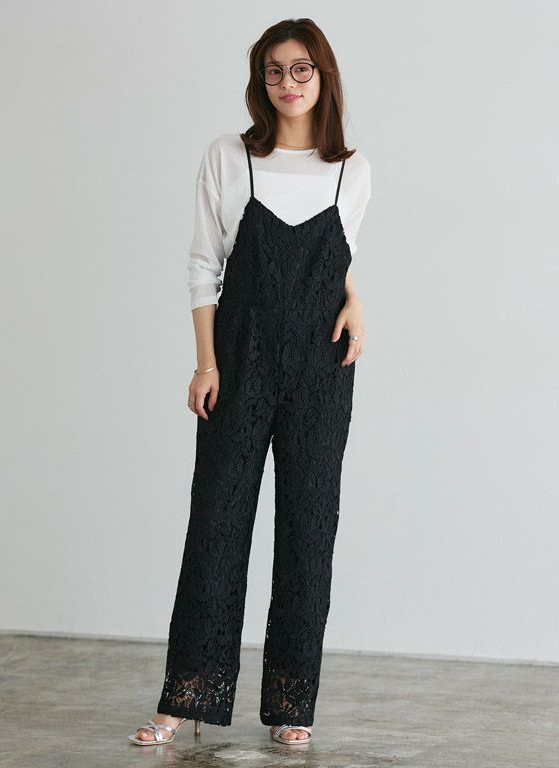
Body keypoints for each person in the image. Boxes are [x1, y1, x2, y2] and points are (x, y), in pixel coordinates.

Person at [129, 17, 371, 747]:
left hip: (322, 368)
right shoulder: (229, 157)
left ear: (323, 76)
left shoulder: (351, 170)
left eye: (301, 69)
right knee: (217, 523)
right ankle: (185, 697)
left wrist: (357, 300)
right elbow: (205, 264)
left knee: (309, 530)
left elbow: (338, 260)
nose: (287, 82)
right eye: (274, 70)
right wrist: (206, 363)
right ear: (259, 81)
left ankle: (293, 707)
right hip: (238, 359)